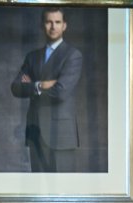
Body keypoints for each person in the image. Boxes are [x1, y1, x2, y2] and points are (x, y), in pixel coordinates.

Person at [9, 8, 83, 173]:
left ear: (64, 26)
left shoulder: (72, 56)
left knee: (62, 190)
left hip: (61, 134)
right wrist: (40, 85)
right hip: (35, 132)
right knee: (38, 190)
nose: (53, 26)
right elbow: (15, 87)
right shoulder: (32, 57)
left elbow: (61, 91)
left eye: (57, 22)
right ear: (42, 25)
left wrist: (31, 87)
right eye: (49, 22)